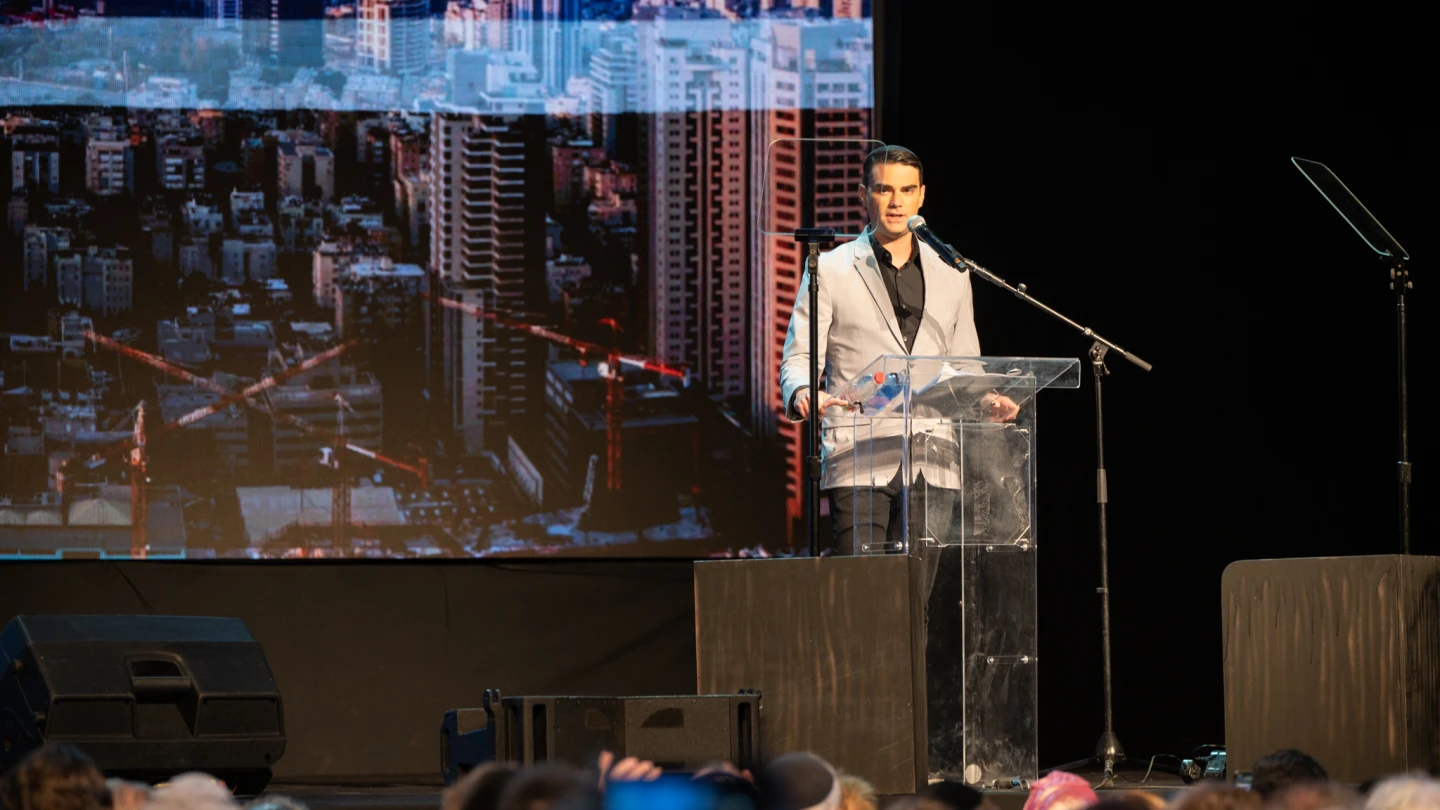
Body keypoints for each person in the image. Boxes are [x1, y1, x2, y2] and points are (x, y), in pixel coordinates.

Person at [780, 144, 1018, 555]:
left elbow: (965, 364)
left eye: (907, 190)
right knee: (864, 587)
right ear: (863, 195)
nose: (896, 202)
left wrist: (988, 399)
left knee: (917, 591)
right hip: (858, 455)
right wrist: (803, 392)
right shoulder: (832, 268)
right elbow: (800, 356)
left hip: (935, 458)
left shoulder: (953, 272)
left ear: (921, 196)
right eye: (884, 189)